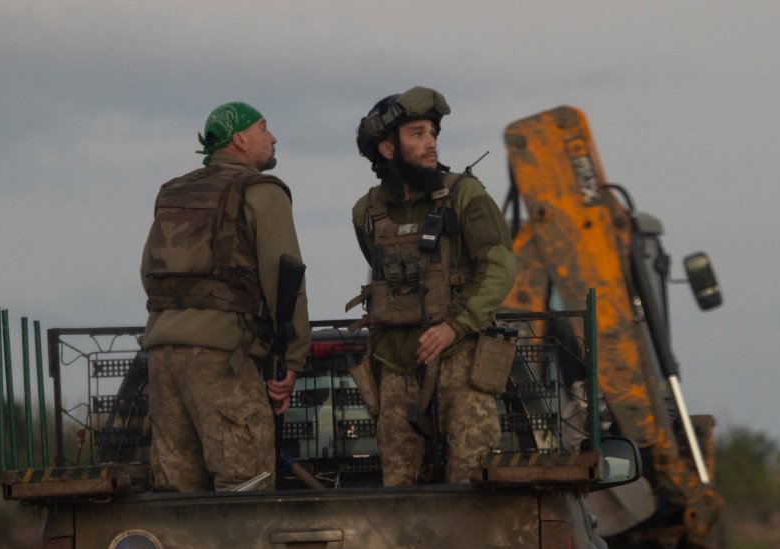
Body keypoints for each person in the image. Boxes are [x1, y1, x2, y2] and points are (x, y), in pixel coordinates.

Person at [348, 86, 517, 485]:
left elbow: (499, 266)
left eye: (433, 134)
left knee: (473, 480)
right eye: (418, 134)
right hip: (395, 363)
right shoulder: (367, 212)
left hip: (461, 356)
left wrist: (453, 326)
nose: (430, 144)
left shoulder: (465, 196)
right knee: (397, 484)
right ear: (388, 149)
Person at [140, 101, 309, 492]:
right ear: (240, 139)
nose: (273, 137)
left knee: (175, 492)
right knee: (244, 486)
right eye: (264, 128)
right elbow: (287, 281)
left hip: (162, 357)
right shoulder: (263, 192)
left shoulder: (173, 191)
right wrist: (293, 359)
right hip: (221, 360)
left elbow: (148, 274)